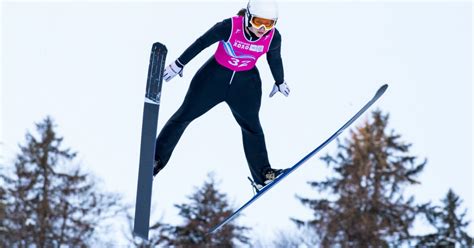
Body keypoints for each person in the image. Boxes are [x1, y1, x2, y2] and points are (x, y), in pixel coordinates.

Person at [153, 0, 290, 189]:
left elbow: (274, 58)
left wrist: (280, 80)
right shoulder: (230, 26)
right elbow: (201, 43)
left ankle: (262, 176)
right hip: (212, 79)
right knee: (184, 116)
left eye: (269, 23)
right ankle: (155, 160)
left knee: (252, 128)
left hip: (245, 86)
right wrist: (179, 63)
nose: (262, 28)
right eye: (259, 21)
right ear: (249, 17)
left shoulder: (273, 37)